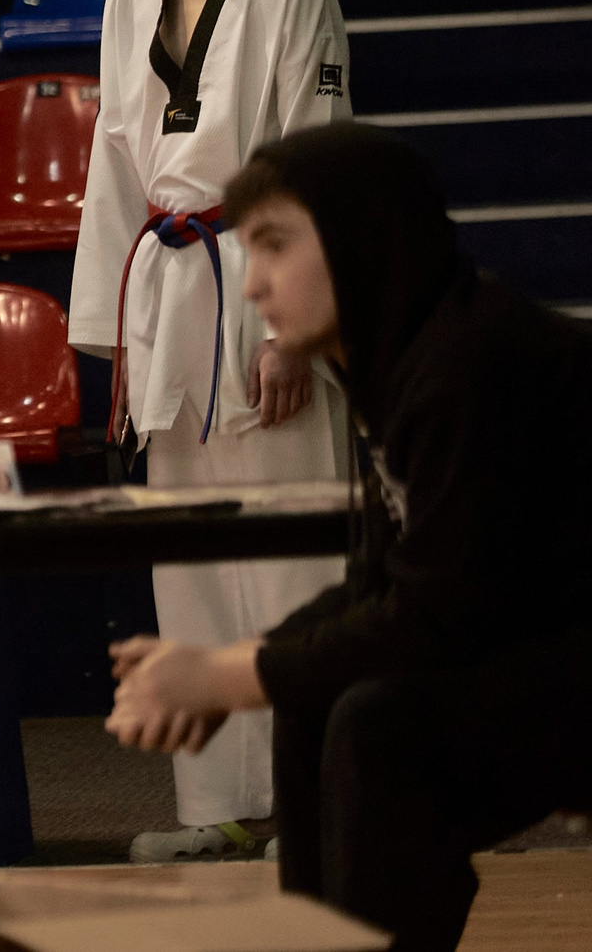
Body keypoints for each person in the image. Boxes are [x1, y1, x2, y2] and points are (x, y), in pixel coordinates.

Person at [105, 123, 592, 952]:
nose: (253, 284)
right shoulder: (400, 362)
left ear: (366, 238)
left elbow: (441, 617)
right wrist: (245, 670)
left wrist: (225, 673)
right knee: (320, 694)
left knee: (378, 722)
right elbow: (383, 587)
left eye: (275, 246)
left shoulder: (470, 364)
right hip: (551, 652)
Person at [69, 0, 352, 863]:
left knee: (293, 555)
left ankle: (321, 792)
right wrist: (110, 333)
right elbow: (111, 169)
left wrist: (296, 322)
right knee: (186, 553)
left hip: (261, 278)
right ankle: (216, 809)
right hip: (171, 292)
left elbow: (317, 161)